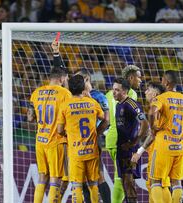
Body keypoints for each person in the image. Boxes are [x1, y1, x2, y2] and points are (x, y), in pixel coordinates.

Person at [148, 70, 183, 203]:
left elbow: (151, 112)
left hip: (163, 145)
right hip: (179, 146)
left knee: (156, 181)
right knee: (176, 182)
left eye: (162, 80)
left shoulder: (161, 98)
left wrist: (153, 128)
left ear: (166, 82)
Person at [28, 38, 71, 203]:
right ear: (61, 79)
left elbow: (30, 117)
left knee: (41, 178)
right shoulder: (64, 93)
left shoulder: (36, 92)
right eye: (65, 79)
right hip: (55, 141)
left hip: (40, 141)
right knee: (55, 179)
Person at [57, 74, 109, 203]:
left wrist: (68, 134)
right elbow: (105, 120)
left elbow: (59, 130)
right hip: (92, 151)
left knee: (77, 187)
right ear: (83, 88)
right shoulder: (92, 103)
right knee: (93, 185)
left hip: (75, 152)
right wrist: (97, 132)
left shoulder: (65, 105)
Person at [105, 65, 142, 203]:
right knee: (123, 179)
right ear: (131, 78)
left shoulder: (109, 94)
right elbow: (136, 121)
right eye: (138, 77)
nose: (140, 80)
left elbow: (104, 116)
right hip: (123, 141)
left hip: (111, 139)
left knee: (120, 177)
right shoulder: (130, 94)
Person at [131, 82, 171, 203]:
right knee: (160, 184)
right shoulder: (164, 106)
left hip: (159, 150)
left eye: (148, 90)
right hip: (165, 149)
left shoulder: (157, 108)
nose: (145, 92)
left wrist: (139, 152)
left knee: (157, 183)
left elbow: (152, 135)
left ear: (155, 94)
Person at [75, 69, 111, 203]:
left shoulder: (99, 96)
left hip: (92, 143)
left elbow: (106, 120)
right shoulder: (74, 96)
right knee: (83, 178)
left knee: (99, 176)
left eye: (77, 79)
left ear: (86, 80)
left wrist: (96, 133)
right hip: (77, 142)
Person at [112, 78, 149, 202]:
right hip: (121, 149)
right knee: (125, 183)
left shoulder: (131, 104)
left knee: (129, 183)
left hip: (130, 151)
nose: (114, 92)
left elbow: (144, 123)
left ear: (125, 91)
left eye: (117, 90)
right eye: (113, 89)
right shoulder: (119, 105)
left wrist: (134, 142)